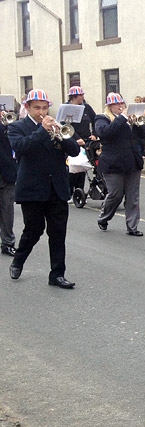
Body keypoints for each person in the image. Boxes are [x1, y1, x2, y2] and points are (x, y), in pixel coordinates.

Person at [7, 89, 81, 288]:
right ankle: (18, 260)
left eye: (44, 107)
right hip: (32, 189)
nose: (41, 111)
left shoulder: (56, 126)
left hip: (56, 188)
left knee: (58, 233)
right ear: (28, 108)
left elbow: (74, 151)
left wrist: (62, 135)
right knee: (33, 230)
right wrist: (42, 130)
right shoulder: (17, 127)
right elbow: (21, 148)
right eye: (37, 108)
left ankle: (57, 274)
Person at [94, 92, 145, 236]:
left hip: (132, 161)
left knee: (133, 196)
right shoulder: (102, 118)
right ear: (109, 106)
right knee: (115, 194)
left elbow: (143, 134)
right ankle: (104, 217)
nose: (120, 106)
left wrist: (137, 122)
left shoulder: (129, 119)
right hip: (113, 163)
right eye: (116, 105)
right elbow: (105, 133)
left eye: (121, 104)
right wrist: (122, 118)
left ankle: (132, 227)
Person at [67, 86, 97, 194]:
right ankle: (69, 191)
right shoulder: (67, 107)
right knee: (73, 168)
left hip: (86, 140)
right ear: (74, 97)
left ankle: (79, 191)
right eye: (81, 95)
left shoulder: (86, 107)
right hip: (72, 141)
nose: (83, 97)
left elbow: (95, 120)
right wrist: (77, 138)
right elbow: (65, 126)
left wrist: (94, 134)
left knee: (82, 166)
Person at [0, 109, 17, 256]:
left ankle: (8, 243)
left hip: (6, 171)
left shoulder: (6, 126)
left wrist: (5, 122)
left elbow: (11, 138)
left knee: (7, 210)